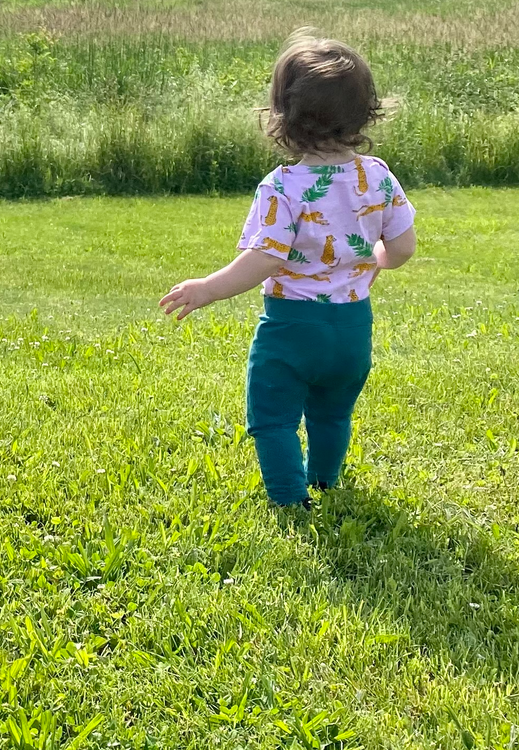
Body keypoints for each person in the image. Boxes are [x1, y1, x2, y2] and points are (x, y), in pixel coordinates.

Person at [160, 30, 417, 508]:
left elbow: (268, 257)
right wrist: (374, 262)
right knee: (332, 413)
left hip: (292, 327)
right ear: (364, 112)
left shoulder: (281, 185)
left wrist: (208, 289)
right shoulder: (377, 175)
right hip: (352, 328)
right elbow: (402, 247)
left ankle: (289, 498)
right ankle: (323, 481)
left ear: (283, 116)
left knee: (273, 416)